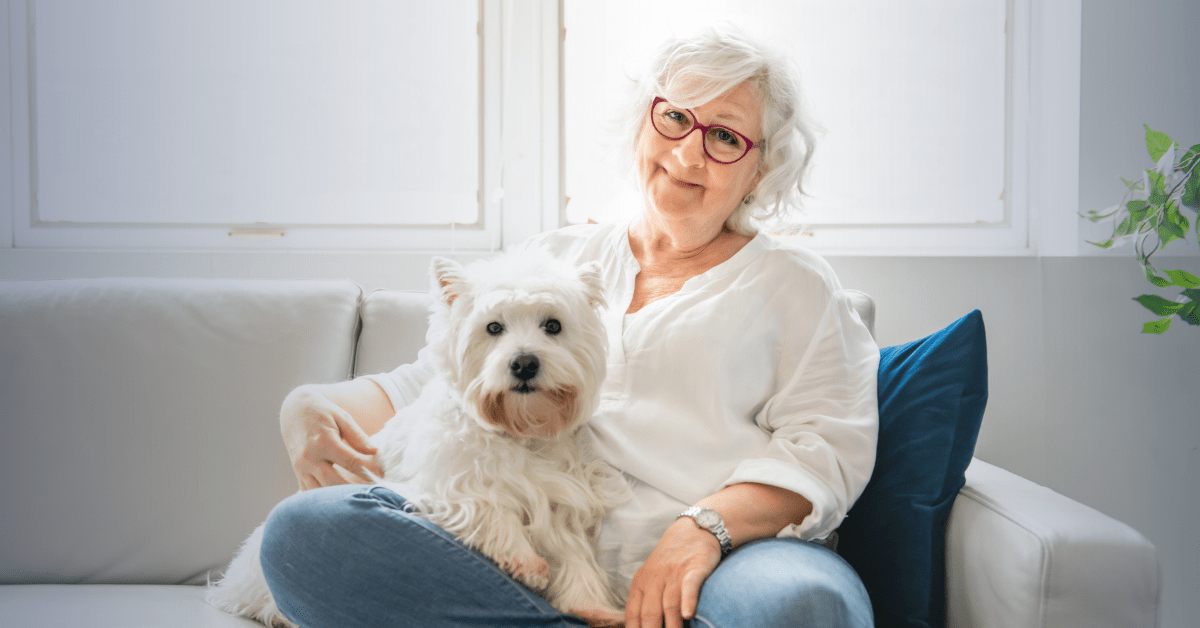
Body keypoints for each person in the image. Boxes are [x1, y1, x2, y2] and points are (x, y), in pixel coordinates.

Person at [260, 27, 878, 628]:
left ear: (761, 166)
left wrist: (703, 529)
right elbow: (437, 381)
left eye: (724, 136)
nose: (688, 152)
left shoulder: (794, 283)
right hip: (522, 560)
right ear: (644, 122)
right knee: (305, 534)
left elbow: (827, 447)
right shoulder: (555, 257)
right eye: (675, 118)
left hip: (721, 560)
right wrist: (308, 403)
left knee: (807, 607)